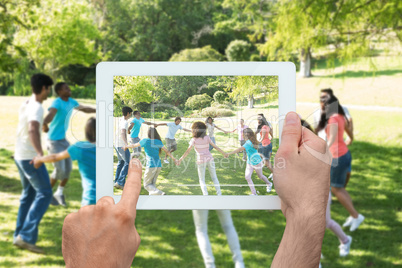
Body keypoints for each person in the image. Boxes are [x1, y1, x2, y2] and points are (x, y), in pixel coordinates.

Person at [62, 112, 332, 267]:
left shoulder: (187, 141)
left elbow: (190, 149)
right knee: (223, 217)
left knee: (203, 226)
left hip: (203, 178)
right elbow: (211, 148)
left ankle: (212, 262)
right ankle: (237, 261)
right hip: (212, 169)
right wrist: (304, 215)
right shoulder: (202, 140)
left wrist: (182, 158)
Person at [13, 73, 53, 254]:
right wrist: (39, 153)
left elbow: (30, 126)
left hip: (19, 154)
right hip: (30, 157)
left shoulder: (27, 102)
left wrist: (41, 128)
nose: (49, 92)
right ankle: (26, 237)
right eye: (49, 89)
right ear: (44, 88)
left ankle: (18, 236)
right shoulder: (36, 107)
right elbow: (32, 129)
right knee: (44, 192)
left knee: (28, 194)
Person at [315, 94, 364, 232]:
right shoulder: (340, 116)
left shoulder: (333, 120)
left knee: (336, 188)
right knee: (339, 187)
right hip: (344, 154)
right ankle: (353, 215)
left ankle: (356, 216)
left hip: (337, 156)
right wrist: (350, 139)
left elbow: (331, 139)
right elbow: (348, 130)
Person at [42, 82, 96, 207]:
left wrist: (97, 109)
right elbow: (50, 115)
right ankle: (46, 194)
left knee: (68, 169)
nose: (69, 89)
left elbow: (84, 109)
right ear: (59, 91)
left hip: (63, 140)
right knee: (60, 169)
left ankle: (59, 193)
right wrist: (44, 123)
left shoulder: (71, 101)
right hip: (53, 141)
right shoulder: (57, 102)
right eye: (65, 88)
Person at [33, 117, 96, 207]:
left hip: (91, 199)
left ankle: (56, 193)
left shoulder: (81, 147)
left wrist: (39, 159)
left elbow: (55, 157)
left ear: (87, 132)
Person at [313, 88, 354, 188]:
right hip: (325, 144)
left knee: (346, 171)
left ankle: (339, 189)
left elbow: (349, 120)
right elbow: (316, 129)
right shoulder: (317, 112)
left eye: (325, 97)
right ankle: (333, 190)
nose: (322, 100)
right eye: (321, 98)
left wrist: (349, 137)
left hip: (336, 146)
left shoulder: (340, 110)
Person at [124, 127, 177, 195]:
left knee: (147, 185)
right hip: (158, 166)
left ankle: (160, 193)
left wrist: (126, 146)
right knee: (152, 186)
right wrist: (174, 159)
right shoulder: (158, 141)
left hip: (151, 166)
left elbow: (134, 145)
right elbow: (167, 151)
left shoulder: (145, 141)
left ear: (148, 133)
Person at [178, 121, 225, 195]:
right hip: (210, 159)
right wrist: (223, 153)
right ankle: (219, 194)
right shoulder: (207, 137)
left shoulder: (194, 140)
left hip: (201, 161)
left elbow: (187, 151)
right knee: (214, 178)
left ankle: (205, 195)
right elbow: (215, 146)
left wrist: (180, 159)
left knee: (202, 179)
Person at [227, 128, 273, 195]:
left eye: (243, 134)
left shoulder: (248, 143)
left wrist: (228, 153)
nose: (242, 135)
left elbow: (240, 149)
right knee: (247, 177)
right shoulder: (251, 141)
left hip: (257, 162)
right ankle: (254, 193)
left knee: (260, 176)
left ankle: (269, 184)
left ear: (245, 135)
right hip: (249, 162)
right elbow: (246, 148)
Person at [113, 106, 133, 190]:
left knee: (121, 162)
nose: (130, 115)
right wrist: (126, 144)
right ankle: (120, 182)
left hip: (116, 143)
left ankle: (116, 181)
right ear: (128, 113)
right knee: (127, 162)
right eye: (130, 114)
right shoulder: (124, 122)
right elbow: (122, 133)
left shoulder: (120, 119)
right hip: (121, 144)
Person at [256, 114, 274, 179]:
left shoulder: (263, 127)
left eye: (258, 119)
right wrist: (271, 136)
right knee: (260, 155)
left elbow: (262, 138)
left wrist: (257, 142)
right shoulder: (265, 126)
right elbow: (270, 132)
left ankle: (274, 174)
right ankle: (272, 171)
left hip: (265, 145)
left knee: (266, 162)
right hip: (266, 144)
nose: (257, 120)